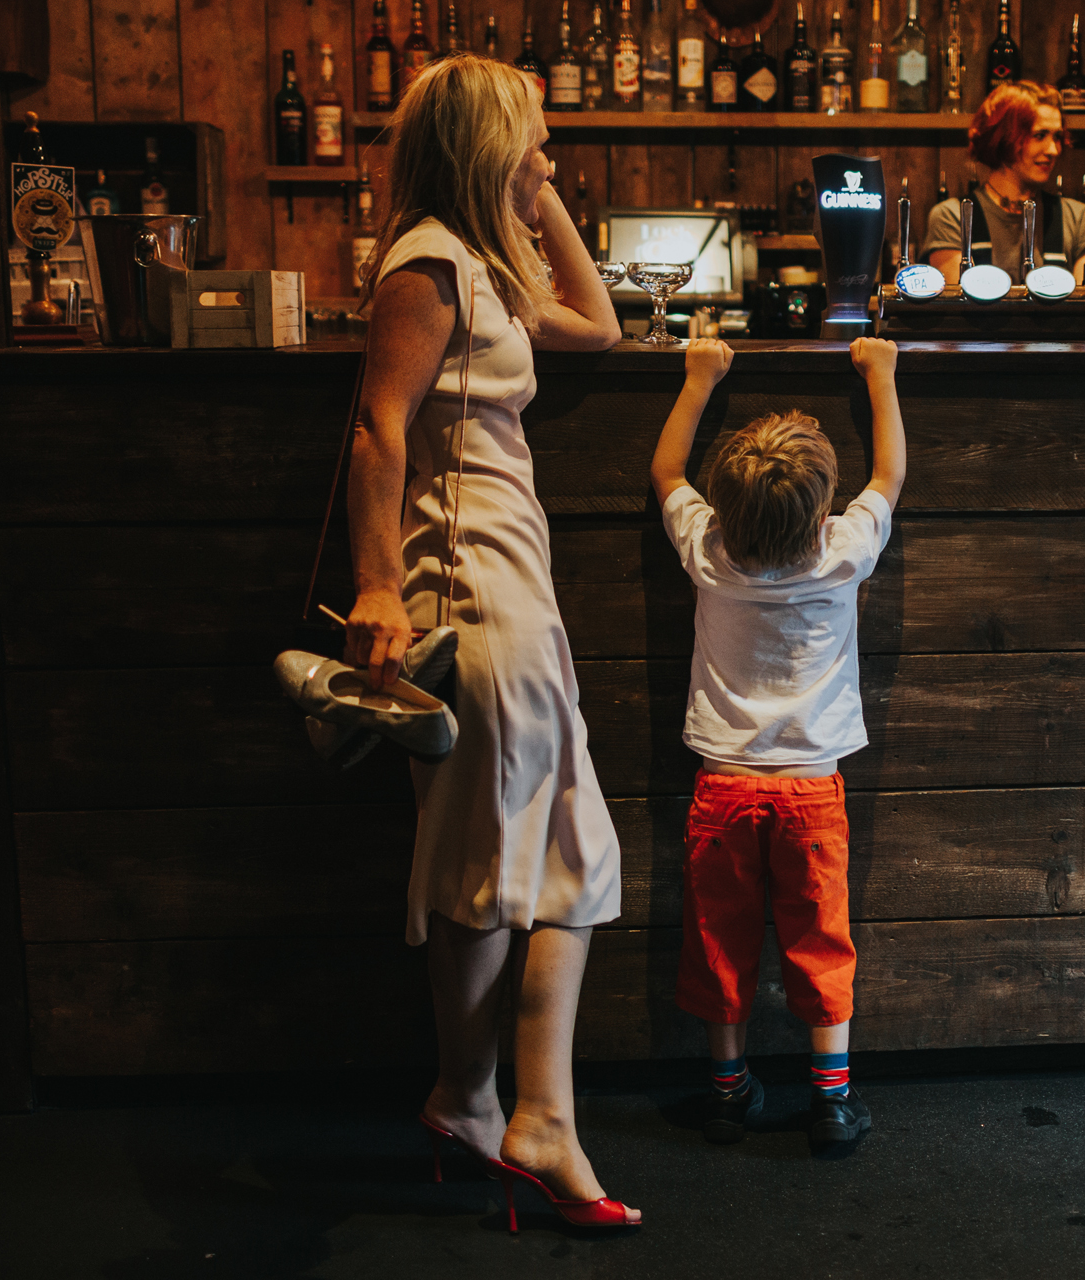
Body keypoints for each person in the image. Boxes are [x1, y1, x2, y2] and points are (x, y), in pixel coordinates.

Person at [340, 55, 641, 1229]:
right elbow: (378, 426)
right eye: (537, 144)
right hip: (469, 593)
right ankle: (540, 1117)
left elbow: (600, 324)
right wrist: (376, 587)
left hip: (513, 585)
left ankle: (468, 1096)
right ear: (482, 151)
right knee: (580, 852)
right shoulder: (427, 264)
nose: (551, 161)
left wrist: (528, 189)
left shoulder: (474, 262)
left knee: (475, 862)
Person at [648, 335, 907, 1148]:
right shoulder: (844, 553)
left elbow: (664, 473)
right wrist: (881, 374)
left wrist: (699, 377)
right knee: (819, 937)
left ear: (724, 511)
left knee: (718, 938)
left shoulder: (708, 552)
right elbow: (891, 476)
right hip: (811, 792)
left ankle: (728, 1092)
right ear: (824, 511)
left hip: (722, 787)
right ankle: (831, 1100)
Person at [920, 81, 1085, 284]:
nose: (1053, 150)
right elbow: (958, 310)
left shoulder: (1077, 218)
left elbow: (1083, 311)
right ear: (1004, 136)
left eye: (1057, 137)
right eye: (1039, 135)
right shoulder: (953, 217)